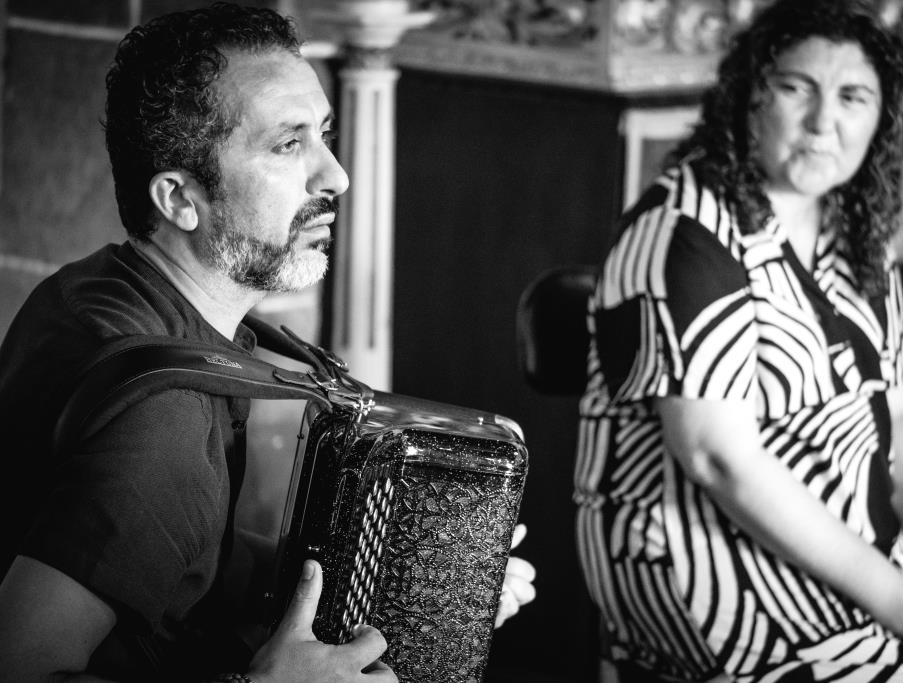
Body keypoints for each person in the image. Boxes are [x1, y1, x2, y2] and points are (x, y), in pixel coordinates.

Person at [0, 4, 535, 681]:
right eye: (287, 145)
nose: (335, 176)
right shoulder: (162, 420)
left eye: (323, 134)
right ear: (179, 199)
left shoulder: (92, 292)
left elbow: (184, 557)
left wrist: (422, 577)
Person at [574, 0, 903, 680]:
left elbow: (900, 413)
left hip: (847, 564)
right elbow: (721, 461)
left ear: (881, 118)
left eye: (853, 97)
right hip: (710, 567)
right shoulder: (689, 229)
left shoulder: (855, 231)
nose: (822, 122)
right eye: (795, 88)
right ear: (749, 96)